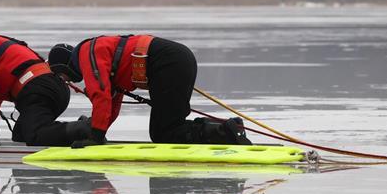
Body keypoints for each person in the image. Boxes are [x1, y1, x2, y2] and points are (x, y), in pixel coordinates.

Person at [47, 35, 251, 147]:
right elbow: (112, 101)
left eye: (61, 77)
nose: (66, 81)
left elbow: (100, 95)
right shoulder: (97, 51)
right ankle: (226, 130)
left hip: (169, 63)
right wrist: (98, 132)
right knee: (169, 127)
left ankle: (226, 132)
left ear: (64, 67)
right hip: (175, 59)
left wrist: (96, 136)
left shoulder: (87, 54)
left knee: (164, 132)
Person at [0, 31, 91, 146]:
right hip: (49, 87)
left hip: (38, 88)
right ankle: (75, 129)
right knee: (20, 136)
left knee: (35, 136)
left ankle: (85, 128)